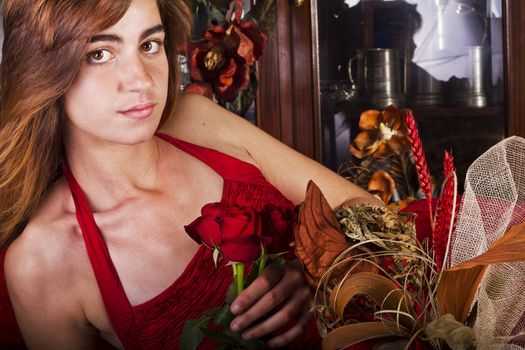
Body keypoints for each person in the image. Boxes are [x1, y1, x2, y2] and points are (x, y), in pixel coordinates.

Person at [0, 0, 380, 349]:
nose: (141, 80)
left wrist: (319, 269)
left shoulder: (196, 119)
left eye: (149, 45)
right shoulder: (41, 262)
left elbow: (369, 207)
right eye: (99, 53)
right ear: (43, 68)